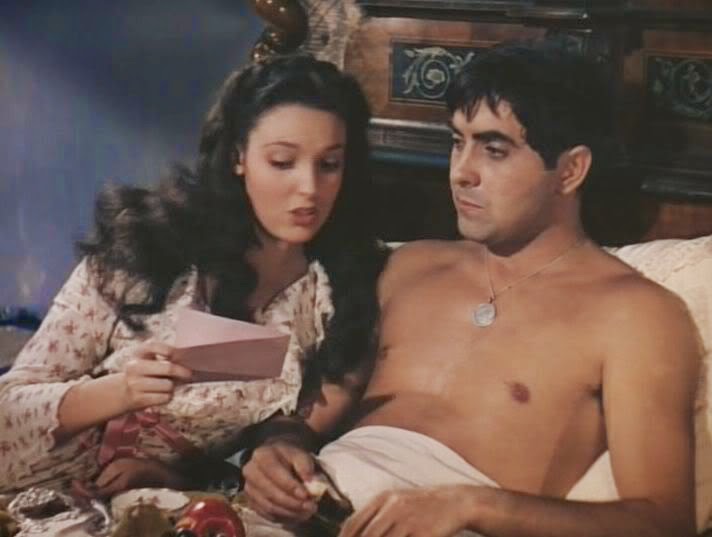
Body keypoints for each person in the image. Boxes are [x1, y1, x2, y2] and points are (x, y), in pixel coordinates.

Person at [241, 42, 702, 537]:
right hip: (296, 515)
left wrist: (473, 506)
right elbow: (316, 406)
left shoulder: (634, 315)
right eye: (457, 142)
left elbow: (662, 522)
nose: (461, 172)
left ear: (570, 171)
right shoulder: (408, 266)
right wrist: (277, 448)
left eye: (494, 149)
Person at [0, 54, 387, 498]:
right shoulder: (147, 248)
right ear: (239, 156)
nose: (310, 188)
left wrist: (173, 478)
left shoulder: (335, 300)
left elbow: (271, 455)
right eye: (283, 162)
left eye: (329, 164)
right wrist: (120, 391)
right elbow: (7, 413)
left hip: (155, 511)